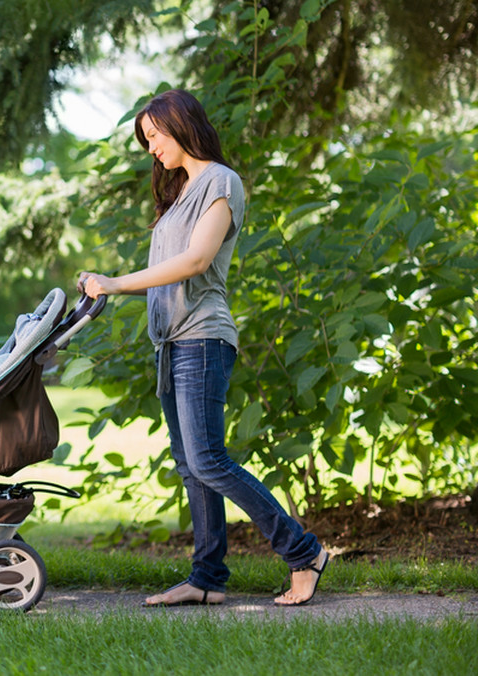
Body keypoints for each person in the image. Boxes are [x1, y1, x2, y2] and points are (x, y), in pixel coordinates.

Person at [77, 89, 330, 607]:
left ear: (181, 126)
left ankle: (304, 553)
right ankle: (207, 577)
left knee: (210, 460)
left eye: (154, 136)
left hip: (203, 338)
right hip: (171, 344)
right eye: (145, 140)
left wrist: (116, 282)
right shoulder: (179, 195)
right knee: (192, 465)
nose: (151, 149)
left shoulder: (221, 181)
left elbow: (196, 261)